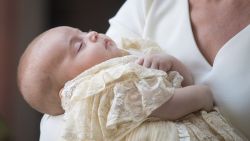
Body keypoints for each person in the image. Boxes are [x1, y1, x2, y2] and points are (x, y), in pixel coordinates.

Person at [39, 0, 250, 140]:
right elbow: (164, 105)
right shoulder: (105, 89)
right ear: (70, 88)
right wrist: (201, 96)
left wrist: (170, 63)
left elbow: (183, 81)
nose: (92, 33)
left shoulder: (125, 57)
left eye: (83, 32)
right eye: (79, 45)